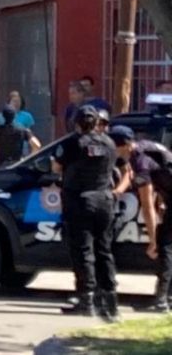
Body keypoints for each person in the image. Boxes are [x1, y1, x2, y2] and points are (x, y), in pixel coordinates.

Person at [54, 106, 120, 321]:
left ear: (77, 123)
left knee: (83, 251)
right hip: (104, 201)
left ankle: (86, 299)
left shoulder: (74, 142)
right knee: (104, 250)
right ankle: (110, 301)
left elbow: (56, 166)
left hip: (80, 201)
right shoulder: (109, 143)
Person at [108, 126, 172, 312]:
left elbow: (146, 204)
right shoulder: (145, 146)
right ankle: (165, 296)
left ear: (124, 146)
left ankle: (161, 299)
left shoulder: (140, 160)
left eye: (114, 147)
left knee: (165, 246)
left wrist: (152, 240)